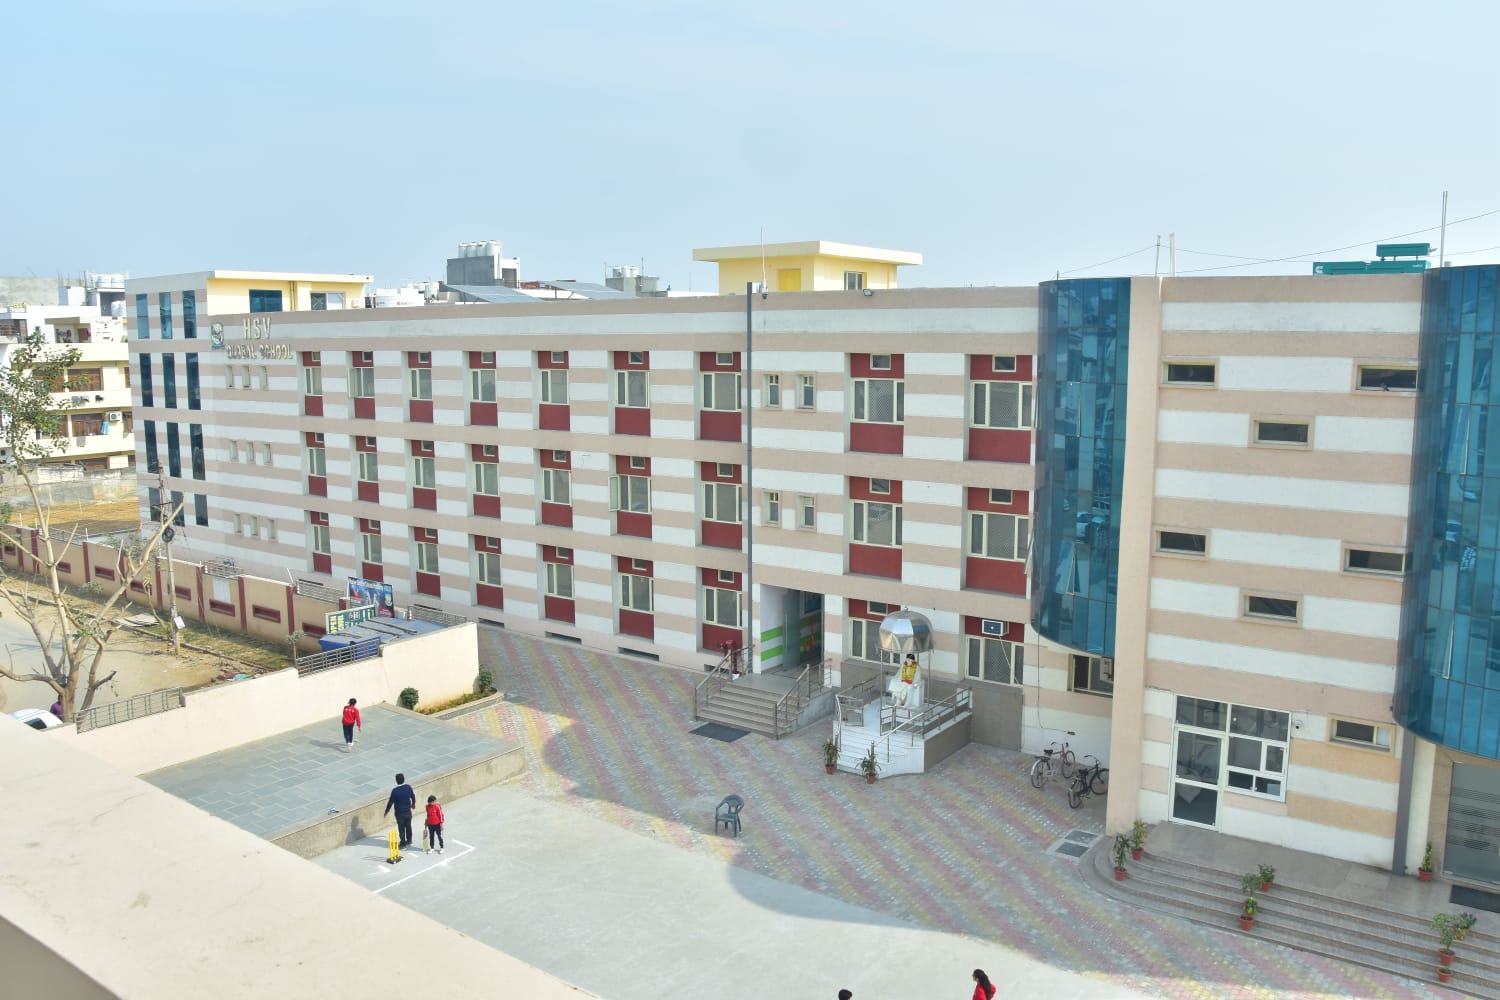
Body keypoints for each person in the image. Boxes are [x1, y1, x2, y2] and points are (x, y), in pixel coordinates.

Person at [384, 773, 417, 849]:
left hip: (399, 813)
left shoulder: (395, 791)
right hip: (408, 811)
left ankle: (403, 844)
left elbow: (390, 802)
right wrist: (413, 804)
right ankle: (409, 840)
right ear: (404, 779)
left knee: (401, 828)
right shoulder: (408, 787)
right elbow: (413, 796)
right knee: (408, 826)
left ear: (396, 781)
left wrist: (386, 812)